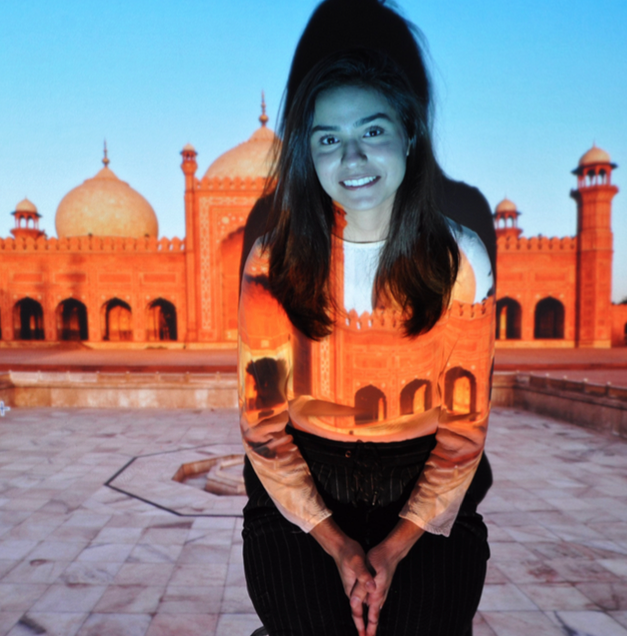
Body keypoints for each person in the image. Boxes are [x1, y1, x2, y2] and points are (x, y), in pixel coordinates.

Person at [238, 45, 495, 636]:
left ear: (408, 135)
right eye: (328, 139)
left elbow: (461, 437)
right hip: (303, 486)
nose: (351, 157)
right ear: (308, 154)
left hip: (423, 483)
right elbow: (264, 429)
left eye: (371, 130)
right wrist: (335, 542)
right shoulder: (276, 260)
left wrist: (397, 544)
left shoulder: (458, 260)